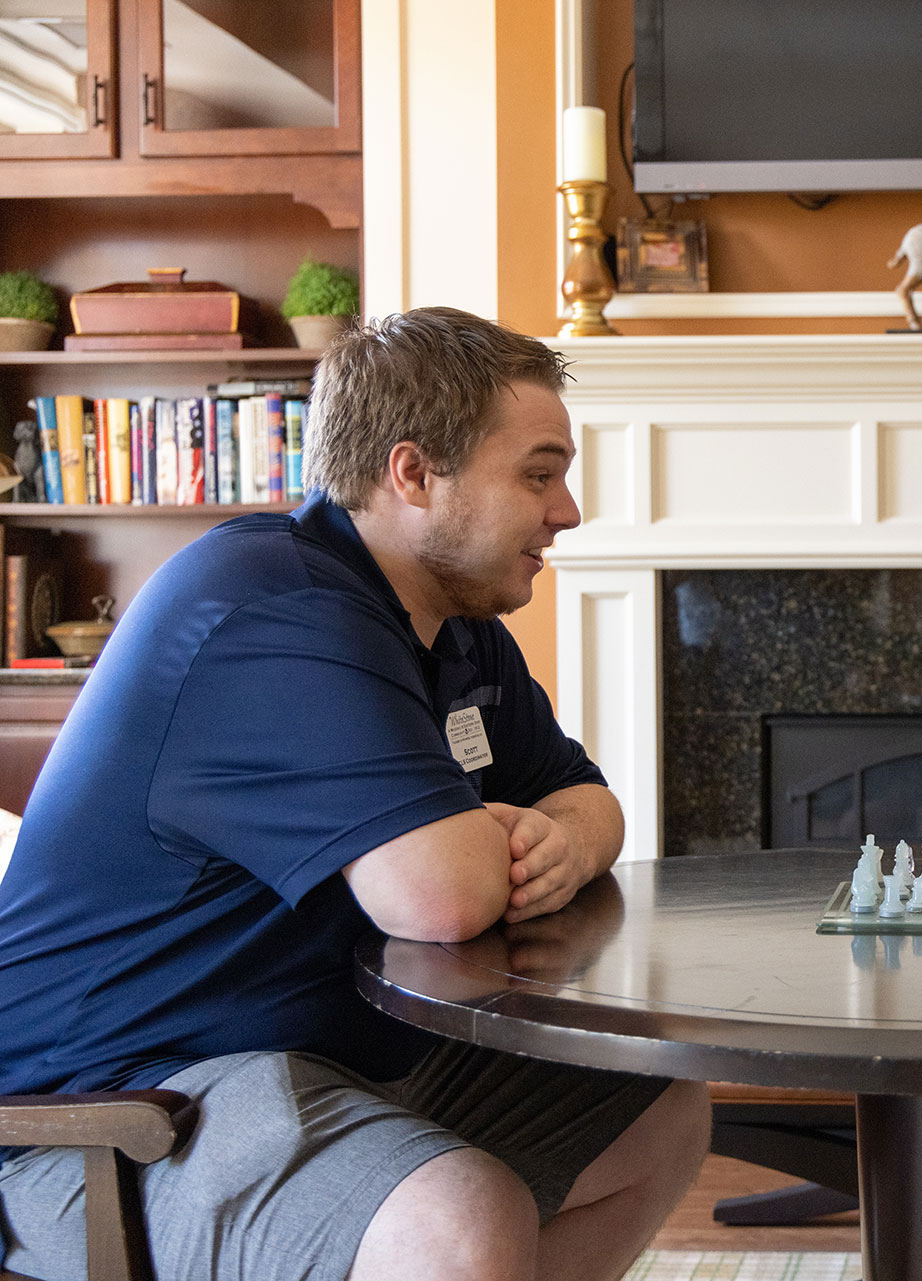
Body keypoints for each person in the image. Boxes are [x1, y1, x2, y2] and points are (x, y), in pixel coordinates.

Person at [0, 307, 710, 1281]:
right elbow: (441, 898)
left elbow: (590, 803)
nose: (568, 511)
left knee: (654, 1108)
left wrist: (559, 840)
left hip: (325, 1064)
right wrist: (480, 846)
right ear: (412, 473)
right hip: (114, 1114)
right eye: (538, 475)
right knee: (459, 1222)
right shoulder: (276, 609)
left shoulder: (452, 624)